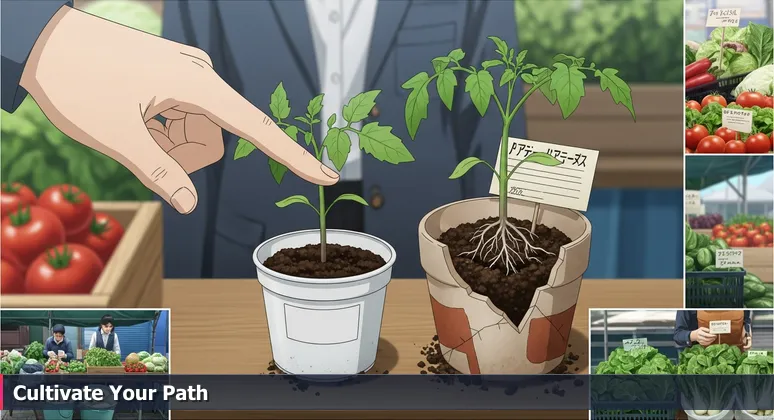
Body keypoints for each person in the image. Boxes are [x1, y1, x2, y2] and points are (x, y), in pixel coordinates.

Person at [1, 1, 523, 278]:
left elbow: (496, 118)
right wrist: (181, 291)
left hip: (422, 234)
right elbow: (191, 124)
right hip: (253, 238)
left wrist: (516, 264)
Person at [674, 310, 752, 351]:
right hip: (703, 363)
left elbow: (746, 320)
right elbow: (678, 335)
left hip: (736, 359)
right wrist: (693, 335)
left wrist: (747, 332)